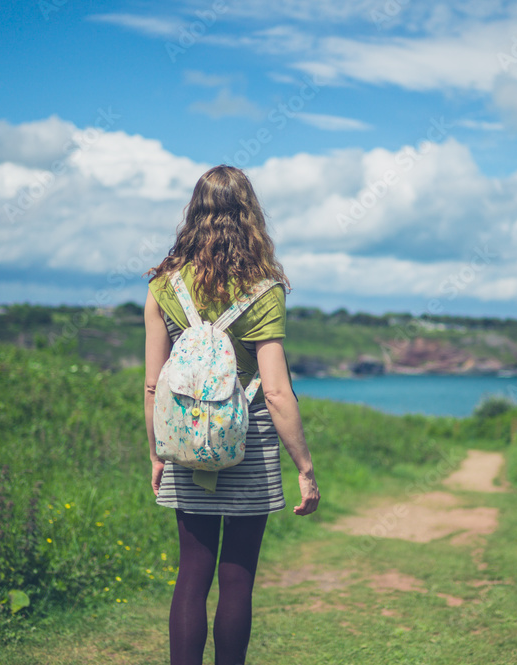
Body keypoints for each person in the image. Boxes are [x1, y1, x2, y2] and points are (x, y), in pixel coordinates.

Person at [142, 164, 320, 665]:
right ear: (251, 216)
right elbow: (278, 392)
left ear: (194, 214)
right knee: (237, 578)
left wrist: (156, 452)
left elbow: (154, 384)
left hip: (183, 439)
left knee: (191, 575)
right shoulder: (265, 289)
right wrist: (304, 467)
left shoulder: (163, 286)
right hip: (250, 440)